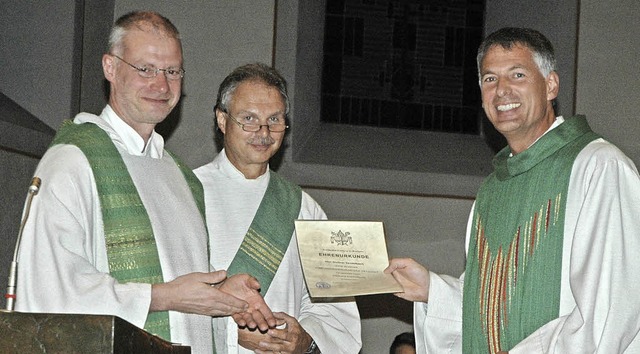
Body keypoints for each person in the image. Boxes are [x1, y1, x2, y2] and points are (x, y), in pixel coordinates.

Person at [15, 11, 276, 354]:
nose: (162, 85)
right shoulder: (73, 161)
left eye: (172, 71)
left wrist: (221, 290)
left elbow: (177, 282)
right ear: (110, 68)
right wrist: (162, 297)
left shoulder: (181, 176)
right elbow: (47, 290)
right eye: (146, 69)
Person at [385, 27, 640, 353]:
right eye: (490, 79)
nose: (501, 90)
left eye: (517, 75)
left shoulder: (598, 167)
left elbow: (614, 306)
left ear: (550, 85)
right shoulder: (492, 191)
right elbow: (491, 304)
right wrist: (433, 290)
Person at [194, 63, 362, 354]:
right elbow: (167, 294)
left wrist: (306, 340)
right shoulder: (187, 192)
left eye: (274, 120)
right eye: (249, 119)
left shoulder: (304, 209)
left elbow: (335, 312)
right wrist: (228, 331)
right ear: (222, 120)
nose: (263, 132)